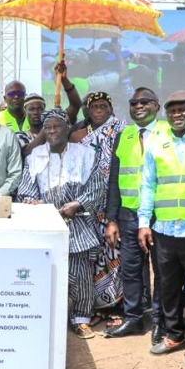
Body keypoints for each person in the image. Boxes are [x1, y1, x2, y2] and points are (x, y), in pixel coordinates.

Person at [18, 109, 104, 338]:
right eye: (48, 127)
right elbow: (26, 188)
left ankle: (81, 318)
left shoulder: (85, 154)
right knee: (46, 272)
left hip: (77, 223)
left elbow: (97, 187)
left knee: (80, 274)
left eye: (57, 126)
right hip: (45, 225)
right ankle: (44, 317)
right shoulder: (34, 156)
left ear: (68, 129)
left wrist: (78, 203)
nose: (53, 131)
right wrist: (31, 200)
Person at [140, 91, 185, 362]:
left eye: (184, 109)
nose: (178, 114)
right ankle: (173, 334)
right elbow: (148, 184)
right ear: (166, 114)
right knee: (168, 285)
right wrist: (144, 223)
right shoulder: (157, 143)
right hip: (165, 229)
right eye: (172, 110)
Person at [104, 88, 168, 340]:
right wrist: (111, 219)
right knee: (130, 270)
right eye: (133, 102)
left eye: (144, 101)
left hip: (159, 214)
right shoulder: (125, 135)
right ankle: (133, 319)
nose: (138, 106)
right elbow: (114, 180)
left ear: (157, 105)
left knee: (162, 271)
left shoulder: (168, 131)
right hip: (128, 214)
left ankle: (160, 322)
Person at [68, 92, 124, 322]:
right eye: (95, 107)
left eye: (104, 106)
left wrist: (111, 215)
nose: (99, 110)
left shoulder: (120, 131)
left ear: (110, 109)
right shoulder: (80, 134)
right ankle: (94, 307)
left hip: (111, 202)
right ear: (87, 111)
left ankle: (115, 307)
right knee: (92, 259)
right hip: (88, 206)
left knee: (113, 256)